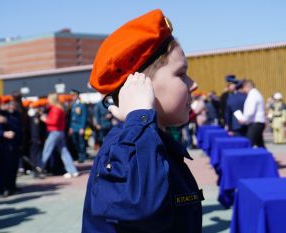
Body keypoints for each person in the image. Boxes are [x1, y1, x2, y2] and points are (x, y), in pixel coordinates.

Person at [82, 9, 203, 233]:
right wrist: (139, 116)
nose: (193, 84)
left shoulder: (151, 141)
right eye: (181, 73)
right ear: (141, 86)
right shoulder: (123, 147)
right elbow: (142, 209)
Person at [39, 93, 79, 178]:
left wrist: (45, 119)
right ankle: (72, 171)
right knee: (64, 152)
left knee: (47, 150)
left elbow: (53, 121)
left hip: (54, 132)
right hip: (59, 132)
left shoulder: (56, 109)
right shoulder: (59, 108)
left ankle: (40, 168)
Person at [237, 80, 266, 147]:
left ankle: (248, 157)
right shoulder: (256, 94)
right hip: (258, 122)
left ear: (247, 87)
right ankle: (264, 156)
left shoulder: (252, 95)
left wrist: (244, 119)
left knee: (249, 142)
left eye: (243, 88)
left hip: (255, 123)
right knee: (260, 144)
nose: (243, 90)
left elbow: (250, 111)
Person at [69, 89, 87, 163]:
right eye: (72, 96)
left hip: (79, 127)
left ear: (77, 96)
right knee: (75, 142)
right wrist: (70, 127)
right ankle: (78, 155)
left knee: (81, 143)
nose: (73, 97)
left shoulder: (81, 105)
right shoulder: (73, 105)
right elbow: (71, 117)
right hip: (74, 126)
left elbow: (83, 116)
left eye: (74, 95)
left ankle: (82, 157)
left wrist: (82, 127)